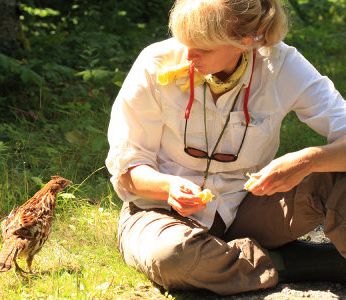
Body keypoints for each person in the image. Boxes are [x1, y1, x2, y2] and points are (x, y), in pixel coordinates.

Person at [106, 0, 346, 295]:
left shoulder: (281, 65)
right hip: (161, 212)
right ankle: (298, 262)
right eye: (184, 41)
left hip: (250, 207)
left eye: (203, 47)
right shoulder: (155, 64)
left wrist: (308, 160)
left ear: (247, 41)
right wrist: (167, 186)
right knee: (172, 257)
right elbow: (127, 168)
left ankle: (227, 263)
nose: (188, 55)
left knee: (338, 172)